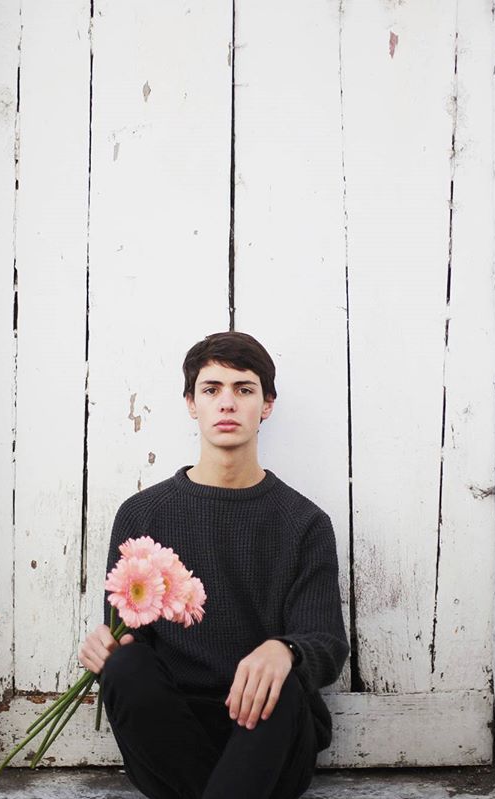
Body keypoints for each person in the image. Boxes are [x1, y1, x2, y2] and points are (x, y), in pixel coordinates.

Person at [78, 332, 349, 799]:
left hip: (271, 734)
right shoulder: (142, 516)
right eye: (212, 389)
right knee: (127, 666)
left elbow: (325, 643)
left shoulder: (304, 523)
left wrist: (284, 649)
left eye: (244, 390)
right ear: (191, 403)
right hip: (173, 737)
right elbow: (131, 633)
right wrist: (107, 647)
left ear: (266, 405)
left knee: (283, 675)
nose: (228, 403)